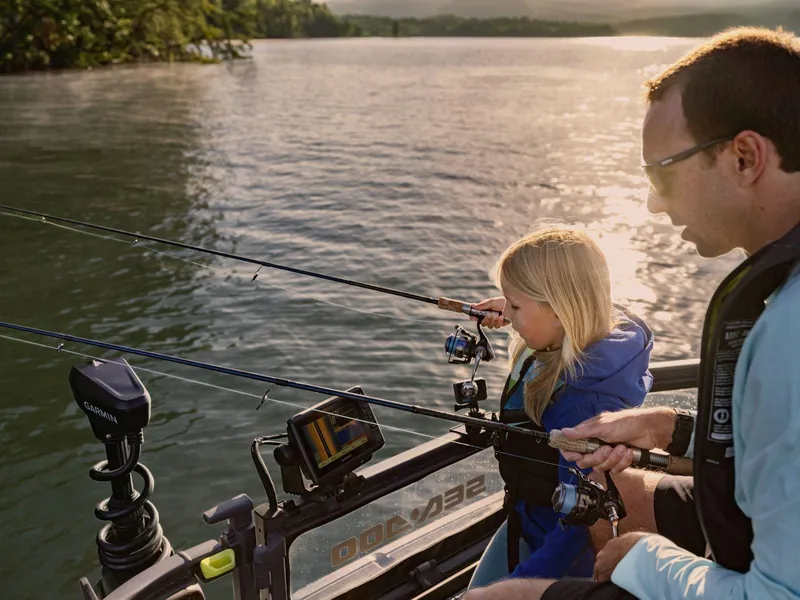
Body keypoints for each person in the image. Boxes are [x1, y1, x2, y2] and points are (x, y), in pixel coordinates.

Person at [465, 26, 800, 600]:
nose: (653, 201)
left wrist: (648, 559)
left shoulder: (788, 334)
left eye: (662, 173)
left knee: (489, 598)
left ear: (745, 156)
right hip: (750, 524)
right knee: (610, 491)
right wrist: (671, 429)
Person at [467, 227, 653, 588]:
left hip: (557, 555)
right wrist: (514, 309)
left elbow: (581, 526)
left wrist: (523, 585)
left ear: (559, 310)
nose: (509, 313)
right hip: (526, 520)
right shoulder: (593, 338)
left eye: (516, 306)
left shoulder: (583, 405)